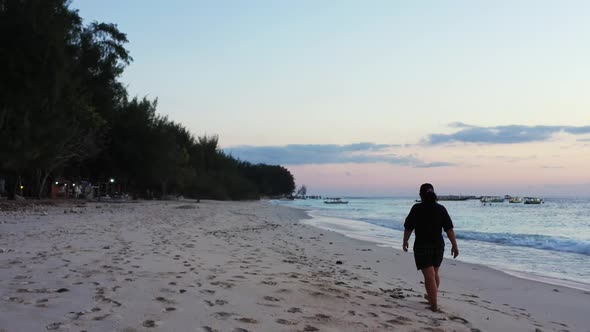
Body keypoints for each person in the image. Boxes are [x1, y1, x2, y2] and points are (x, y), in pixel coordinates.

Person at [403, 183, 459, 312]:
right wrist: (455, 246)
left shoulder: (417, 208)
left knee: (429, 276)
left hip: (422, 246)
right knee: (434, 274)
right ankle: (430, 297)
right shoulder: (441, 208)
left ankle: (434, 304)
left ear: (421, 195)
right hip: (438, 246)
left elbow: (408, 227)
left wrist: (405, 241)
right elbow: (449, 229)